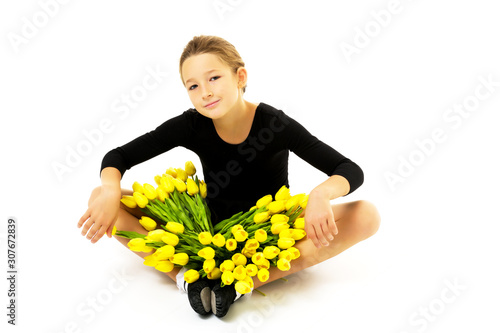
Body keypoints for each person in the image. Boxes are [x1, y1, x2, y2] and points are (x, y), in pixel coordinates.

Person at [78, 35, 381, 318]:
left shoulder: (274, 124)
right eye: (193, 86)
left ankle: (241, 283)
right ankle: (186, 277)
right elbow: (119, 156)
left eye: (214, 78)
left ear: (240, 77)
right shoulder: (192, 125)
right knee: (100, 197)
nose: (205, 92)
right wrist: (108, 189)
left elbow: (349, 169)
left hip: (268, 230)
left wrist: (320, 195)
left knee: (366, 215)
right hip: (204, 230)